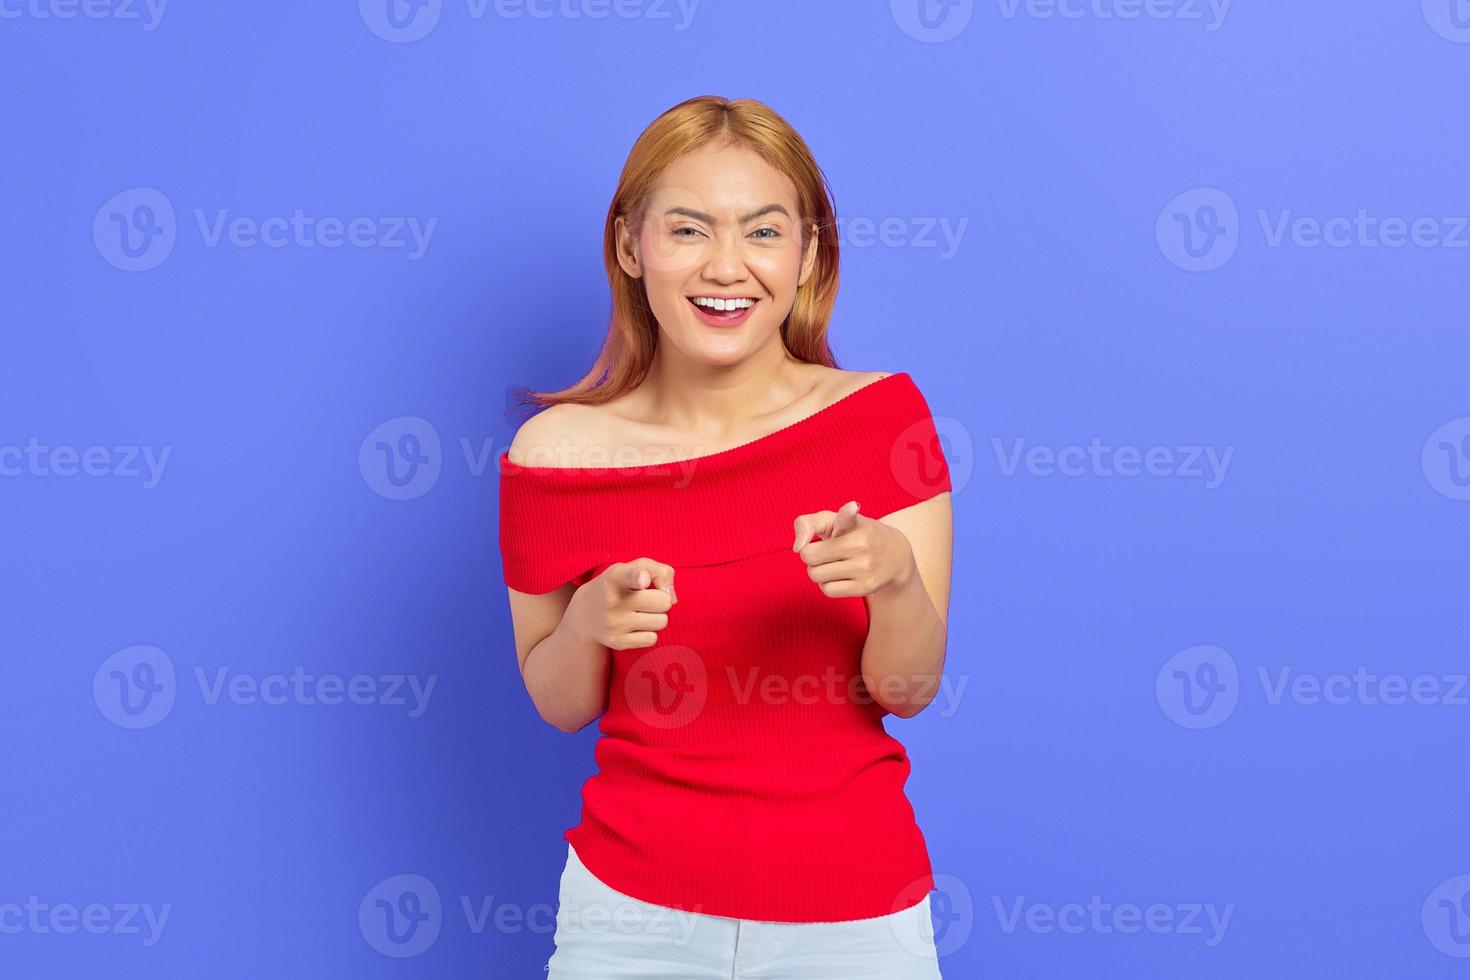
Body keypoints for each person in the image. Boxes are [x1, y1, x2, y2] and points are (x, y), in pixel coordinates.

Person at [498, 94, 954, 979]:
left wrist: (895, 581)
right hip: (630, 922)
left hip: (855, 918)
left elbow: (908, 689)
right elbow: (559, 704)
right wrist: (589, 624)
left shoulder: (881, 418)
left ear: (808, 251)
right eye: (688, 230)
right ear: (630, 246)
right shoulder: (555, 454)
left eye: (763, 231)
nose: (728, 266)